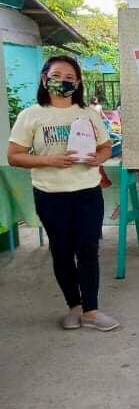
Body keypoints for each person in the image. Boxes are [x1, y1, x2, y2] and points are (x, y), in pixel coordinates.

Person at [7, 56, 118, 331]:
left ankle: (91, 310)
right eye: (57, 75)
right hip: (50, 195)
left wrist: (98, 158)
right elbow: (14, 156)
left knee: (89, 250)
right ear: (45, 79)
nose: (63, 81)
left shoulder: (89, 114)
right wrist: (49, 161)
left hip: (87, 193)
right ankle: (74, 307)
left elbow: (105, 147)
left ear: (78, 83)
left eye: (70, 77)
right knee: (62, 252)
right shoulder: (31, 115)